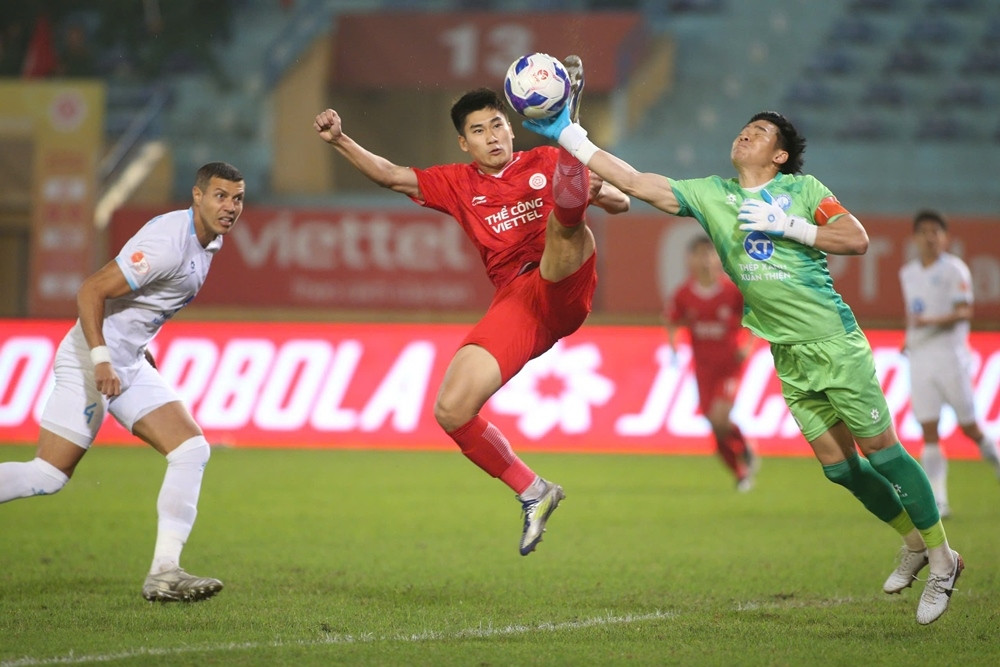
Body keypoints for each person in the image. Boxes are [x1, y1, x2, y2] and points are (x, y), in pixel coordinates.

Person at [524, 107, 962, 624]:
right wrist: (570, 136)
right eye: (743, 129)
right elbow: (639, 183)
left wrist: (791, 226)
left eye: (758, 133)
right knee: (840, 469)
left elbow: (856, 239)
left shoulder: (803, 191)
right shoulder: (714, 195)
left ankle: (941, 558)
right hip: (789, 353)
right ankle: (912, 542)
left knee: (882, 452)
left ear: (779, 155)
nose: (744, 134)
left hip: (833, 342)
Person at [313, 58, 629, 556]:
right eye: (478, 131)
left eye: (499, 125)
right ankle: (534, 491)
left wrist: (598, 194)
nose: (492, 136)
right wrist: (339, 140)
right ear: (465, 143)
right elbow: (394, 177)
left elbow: (621, 203)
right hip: (518, 301)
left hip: (565, 281)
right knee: (452, 409)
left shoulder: (541, 162)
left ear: (511, 127)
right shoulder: (458, 182)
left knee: (565, 224)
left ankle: (571, 123)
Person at [0, 162, 245, 602]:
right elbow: (91, 290)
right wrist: (100, 360)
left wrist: (136, 346)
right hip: (92, 361)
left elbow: (145, 304)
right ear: (197, 196)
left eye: (238, 198)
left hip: (128, 362)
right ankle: (164, 572)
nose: (230, 207)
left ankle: (165, 572)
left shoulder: (209, 241)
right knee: (48, 475)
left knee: (190, 449)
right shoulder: (169, 243)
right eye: (220, 196)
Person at [900, 209, 1000, 518]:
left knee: (969, 427)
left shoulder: (956, 270)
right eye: (924, 232)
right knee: (928, 429)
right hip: (921, 360)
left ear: (945, 238)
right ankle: (939, 501)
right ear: (915, 238)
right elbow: (913, 316)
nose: (930, 237)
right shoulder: (908, 273)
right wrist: (910, 338)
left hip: (951, 357)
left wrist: (929, 322)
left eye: (935, 232)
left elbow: (964, 312)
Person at [664, 234, 758, 491]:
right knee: (716, 427)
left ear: (718, 258)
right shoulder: (684, 294)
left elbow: (755, 319)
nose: (705, 260)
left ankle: (744, 453)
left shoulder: (732, 291)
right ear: (690, 259)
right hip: (703, 368)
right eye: (699, 254)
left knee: (719, 419)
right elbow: (673, 320)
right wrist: (673, 347)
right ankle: (741, 469)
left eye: (710, 254)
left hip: (729, 366)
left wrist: (747, 346)